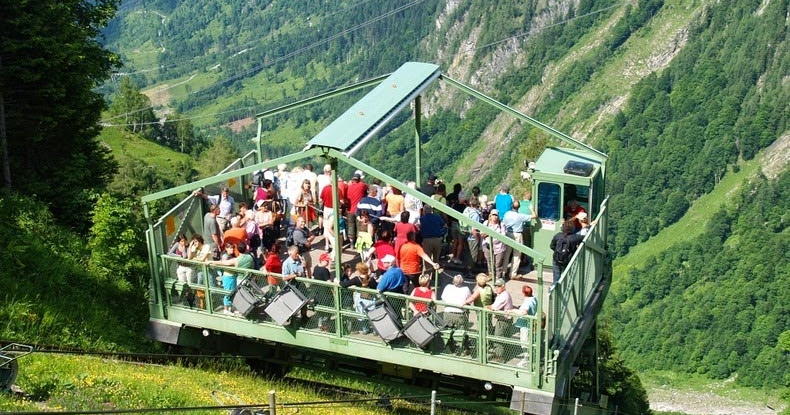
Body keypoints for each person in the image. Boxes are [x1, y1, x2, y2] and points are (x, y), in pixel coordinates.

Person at [211, 241, 255, 315]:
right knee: (228, 293)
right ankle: (227, 310)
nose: (232, 250)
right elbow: (223, 263)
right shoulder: (249, 257)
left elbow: (225, 263)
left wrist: (211, 262)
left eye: (233, 248)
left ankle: (232, 309)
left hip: (235, 277)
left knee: (233, 294)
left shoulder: (235, 258)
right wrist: (212, 262)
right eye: (230, 248)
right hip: (231, 277)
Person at [342, 262, 377, 334]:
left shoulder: (356, 279)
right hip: (370, 299)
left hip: (360, 300)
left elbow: (344, 285)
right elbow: (376, 287)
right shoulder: (371, 279)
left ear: (359, 271)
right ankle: (375, 330)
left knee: (361, 315)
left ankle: (365, 329)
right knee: (372, 314)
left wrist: (337, 281)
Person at [502, 201, 533, 279]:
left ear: (511, 206)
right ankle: (512, 274)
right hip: (517, 235)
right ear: (519, 207)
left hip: (508, 233)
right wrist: (531, 209)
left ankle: (503, 272)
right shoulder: (520, 216)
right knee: (517, 255)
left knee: (507, 254)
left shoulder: (507, 214)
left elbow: (504, 222)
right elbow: (534, 216)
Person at [510, 285, 537, 368]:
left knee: (525, 343)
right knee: (529, 342)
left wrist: (513, 310)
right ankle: (529, 358)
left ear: (523, 293)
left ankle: (527, 360)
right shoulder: (534, 298)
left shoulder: (527, 302)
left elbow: (524, 312)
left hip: (525, 326)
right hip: (531, 325)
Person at [550, 219, 584, 284]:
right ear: (573, 228)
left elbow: (552, 246)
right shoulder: (575, 238)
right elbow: (585, 237)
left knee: (556, 278)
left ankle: (554, 289)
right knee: (567, 277)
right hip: (568, 260)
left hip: (556, 259)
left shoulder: (557, 236)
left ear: (564, 228)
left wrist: (558, 251)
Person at [488, 279, 514, 360]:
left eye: (498, 286)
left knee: (498, 338)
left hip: (503, 321)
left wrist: (486, 306)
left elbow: (493, 308)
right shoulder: (502, 294)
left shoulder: (503, 296)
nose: (496, 288)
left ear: (503, 286)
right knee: (504, 338)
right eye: (495, 286)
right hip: (505, 320)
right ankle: (503, 354)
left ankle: (499, 357)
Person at [482, 209, 508, 281]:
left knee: (498, 263)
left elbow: (503, 236)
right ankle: (491, 274)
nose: (495, 217)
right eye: (493, 215)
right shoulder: (486, 223)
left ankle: (498, 277)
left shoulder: (501, 224)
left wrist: (489, 234)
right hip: (487, 246)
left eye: (496, 215)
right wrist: (489, 235)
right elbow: (482, 234)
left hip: (499, 247)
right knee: (489, 261)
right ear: (490, 215)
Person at [346, 171, 368, 247]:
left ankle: (351, 243)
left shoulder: (348, 187)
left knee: (351, 226)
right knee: (359, 227)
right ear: (359, 179)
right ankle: (359, 244)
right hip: (359, 210)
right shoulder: (362, 185)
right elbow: (367, 187)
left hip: (350, 210)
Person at [461, 197, 483, 269]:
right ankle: (469, 270)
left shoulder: (466, 210)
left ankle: (466, 268)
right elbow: (474, 230)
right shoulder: (475, 215)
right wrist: (477, 239)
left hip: (465, 234)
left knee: (467, 253)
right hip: (472, 238)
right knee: (473, 255)